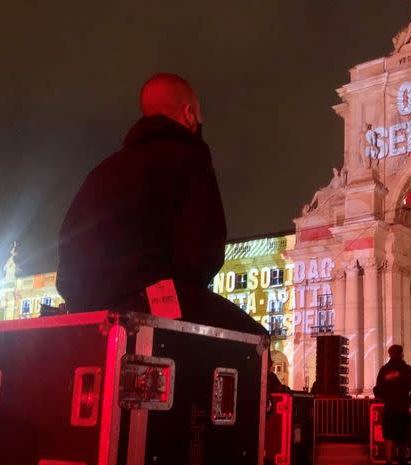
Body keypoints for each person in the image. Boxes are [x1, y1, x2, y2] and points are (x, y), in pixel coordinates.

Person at [57, 73, 264, 337]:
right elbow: (202, 257)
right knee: (254, 340)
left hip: (85, 310)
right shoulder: (189, 157)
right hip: (152, 298)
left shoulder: (103, 170)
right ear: (189, 114)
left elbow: (69, 251)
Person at [373, 345, 411, 465]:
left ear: (389, 354)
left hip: (389, 406)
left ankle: (388, 460)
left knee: (389, 434)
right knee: (402, 434)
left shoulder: (384, 370)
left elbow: (378, 389)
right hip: (403, 406)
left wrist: (386, 397)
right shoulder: (407, 369)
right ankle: (402, 460)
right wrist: (409, 400)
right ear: (401, 354)